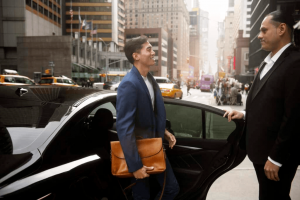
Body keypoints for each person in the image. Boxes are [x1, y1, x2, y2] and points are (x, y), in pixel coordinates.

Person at [224, 10, 300, 200]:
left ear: (282, 29)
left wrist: (276, 158)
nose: (259, 35)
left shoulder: (295, 63)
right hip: (261, 154)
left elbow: (294, 117)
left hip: (276, 158)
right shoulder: (269, 62)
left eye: (264, 30)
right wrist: (244, 115)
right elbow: (270, 105)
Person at [116, 36, 180, 199]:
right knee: (146, 194)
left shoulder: (150, 80)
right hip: (139, 152)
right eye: (149, 49)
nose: (153, 52)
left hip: (155, 146)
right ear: (136, 56)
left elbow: (149, 114)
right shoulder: (129, 83)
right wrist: (135, 166)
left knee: (170, 189)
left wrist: (163, 131)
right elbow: (125, 127)